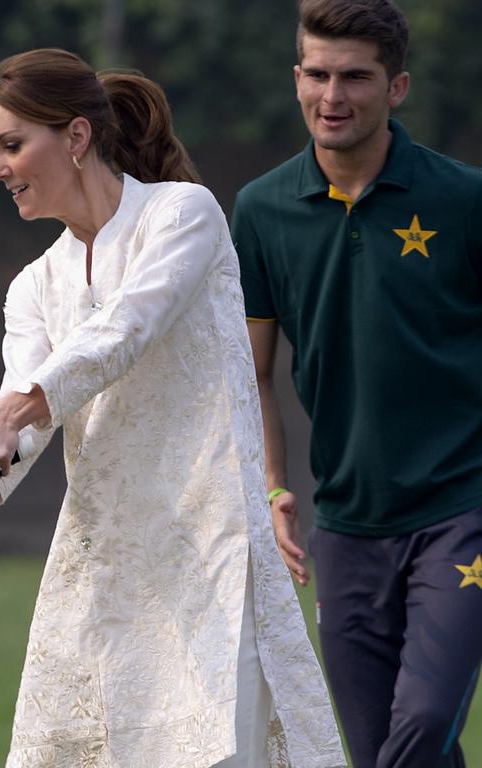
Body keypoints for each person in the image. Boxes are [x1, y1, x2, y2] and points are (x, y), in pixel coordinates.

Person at [0, 48, 344, 768]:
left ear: (75, 138)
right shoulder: (33, 286)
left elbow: (125, 331)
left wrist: (3, 422)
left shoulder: (184, 215)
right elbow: (20, 420)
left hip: (213, 554)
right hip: (101, 566)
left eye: (11, 145)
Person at [231, 1, 482, 766]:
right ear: (296, 76)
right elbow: (254, 377)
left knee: (423, 721)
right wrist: (274, 489)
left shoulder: (464, 200)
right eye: (317, 73)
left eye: (355, 77)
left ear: (396, 87)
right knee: (378, 750)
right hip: (343, 528)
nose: (332, 96)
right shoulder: (261, 210)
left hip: (461, 513)